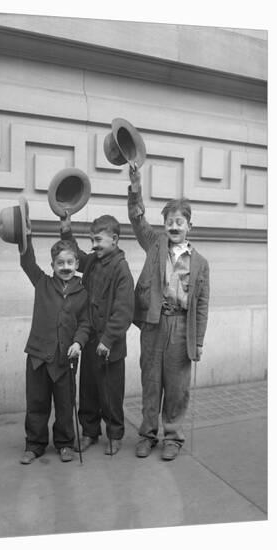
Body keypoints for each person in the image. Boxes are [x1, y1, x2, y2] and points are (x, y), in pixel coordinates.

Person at [128, 164, 210, 461]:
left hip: (180, 327)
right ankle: (148, 434)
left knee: (176, 386)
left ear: (190, 226)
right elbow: (137, 219)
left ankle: (173, 436)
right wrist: (135, 186)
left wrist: (198, 340)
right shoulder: (155, 244)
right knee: (151, 381)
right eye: (169, 222)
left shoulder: (200, 263)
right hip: (153, 323)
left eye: (179, 222)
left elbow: (202, 305)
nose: (174, 227)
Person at [60, 214, 134, 455]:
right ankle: (89, 431)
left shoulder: (122, 269)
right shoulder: (92, 261)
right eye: (91, 239)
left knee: (111, 393)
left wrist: (108, 339)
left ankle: (115, 434)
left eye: (98, 239)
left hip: (109, 347)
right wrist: (66, 232)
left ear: (114, 239)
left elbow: (124, 311)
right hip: (90, 342)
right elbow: (77, 257)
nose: (93, 245)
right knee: (89, 391)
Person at [19, 229, 90, 464]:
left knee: (64, 404)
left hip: (65, 360)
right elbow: (27, 261)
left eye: (70, 262)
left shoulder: (82, 292)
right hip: (38, 357)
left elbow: (85, 324)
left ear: (77, 263)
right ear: (52, 265)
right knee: (37, 403)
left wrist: (79, 343)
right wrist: (26, 234)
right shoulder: (42, 283)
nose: (66, 267)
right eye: (60, 263)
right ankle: (35, 444)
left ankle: (65, 443)